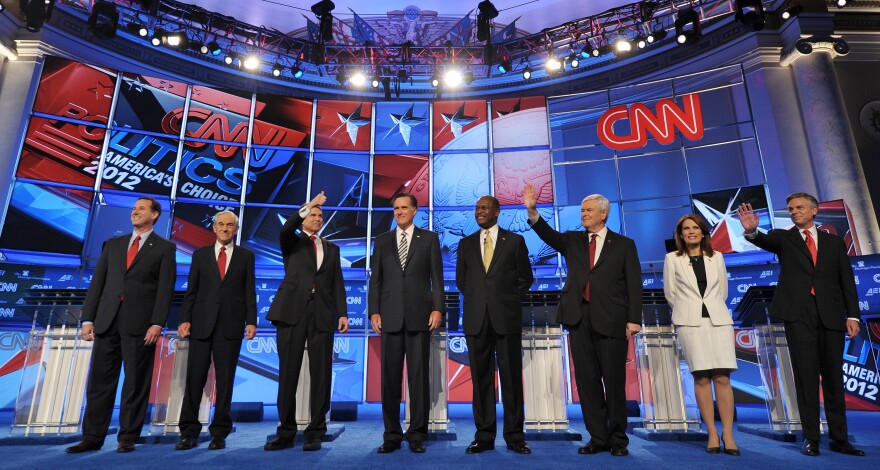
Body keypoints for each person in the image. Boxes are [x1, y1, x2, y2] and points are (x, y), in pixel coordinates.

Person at [737, 194, 864, 457]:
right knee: (805, 379)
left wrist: (852, 315)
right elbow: (763, 239)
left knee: (833, 379)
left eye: (799, 208)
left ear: (814, 211)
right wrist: (751, 231)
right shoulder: (784, 238)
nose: (794, 212)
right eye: (791, 209)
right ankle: (811, 438)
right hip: (800, 315)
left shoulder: (834, 243)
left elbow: (847, 281)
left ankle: (840, 439)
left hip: (831, 315)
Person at [522, 183, 642, 457]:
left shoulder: (624, 245)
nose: (583, 214)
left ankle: (618, 440)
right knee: (587, 384)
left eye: (589, 210)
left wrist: (633, 319)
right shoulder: (573, 240)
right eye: (582, 210)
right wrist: (532, 210)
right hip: (579, 318)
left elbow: (634, 284)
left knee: (613, 383)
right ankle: (598, 438)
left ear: (603, 213)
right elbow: (548, 235)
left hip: (612, 319)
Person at [66, 196, 177, 454]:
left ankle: (127, 436)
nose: (135, 212)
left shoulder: (164, 248)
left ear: (155, 215)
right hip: (107, 321)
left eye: (142, 209)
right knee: (99, 382)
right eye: (134, 209)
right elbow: (97, 285)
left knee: (136, 382)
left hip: (141, 325)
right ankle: (92, 436)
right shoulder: (113, 245)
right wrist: (88, 318)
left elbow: (165, 290)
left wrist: (157, 322)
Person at [264, 191, 349, 452]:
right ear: (304, 218)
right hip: (291, 312)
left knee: (321, 375)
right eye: (313, 214)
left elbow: (336, 283)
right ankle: (286, 431)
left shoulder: (332, 249)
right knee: (288, 373)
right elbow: (288, 226)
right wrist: (309, 203)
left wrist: (342, 313)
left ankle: (315, 431)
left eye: (320, 215)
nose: (317, 217)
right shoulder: (292, 241)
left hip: (322, 314)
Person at [456, 196, 533, 455]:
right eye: (477, 208)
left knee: (511, 380)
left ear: (497, 212)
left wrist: (505, 300)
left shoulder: (514, 241)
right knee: (481, 381)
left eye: (484, 208)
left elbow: (525, 279)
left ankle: (514, 436)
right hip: (477, 320)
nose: (479, 211)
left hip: (506, 319)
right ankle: (484, 436)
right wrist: (482, 300)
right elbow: (462, 282)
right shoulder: (465, 244)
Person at [175, 210, 257, 451]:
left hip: (230, 326)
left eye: (229, 225)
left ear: (236, 230)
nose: (224, 228)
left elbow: (249, 291)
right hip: (201, 324)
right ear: (214, 228)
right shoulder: (200, 255)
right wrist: (184, 319)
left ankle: (219, 433)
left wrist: (251, 321)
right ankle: (188, 432)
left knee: (226, 380)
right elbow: (192, 290)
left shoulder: (245, 256)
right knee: (194, 379)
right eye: (220, 224)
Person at [369, 193, 444, 454]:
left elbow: (437, 277)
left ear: (415, 211)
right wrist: (373, 312)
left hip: (419, 316)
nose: (399, 212)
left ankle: (417, 434)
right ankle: (391, 434)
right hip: (389, 317)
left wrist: (437, 308)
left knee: (418, 378)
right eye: (396, 208)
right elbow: (375, 280)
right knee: (389, 379)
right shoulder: (382, 241)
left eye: (404, 208)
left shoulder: (430, 239)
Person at [662, 214, 739, 455]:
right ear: (681, 234)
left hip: (718, 321)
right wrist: (689, 311)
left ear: (703, 232)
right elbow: (670, 294)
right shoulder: (672, 259)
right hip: (689, 323)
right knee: (702, 378)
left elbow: (723, 292)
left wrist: (710, 308)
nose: (691, 232)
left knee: (722, 378)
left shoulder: (717, 257)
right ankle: (712, 433)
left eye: (695, 228)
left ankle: (728, 433)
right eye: (686, 229)